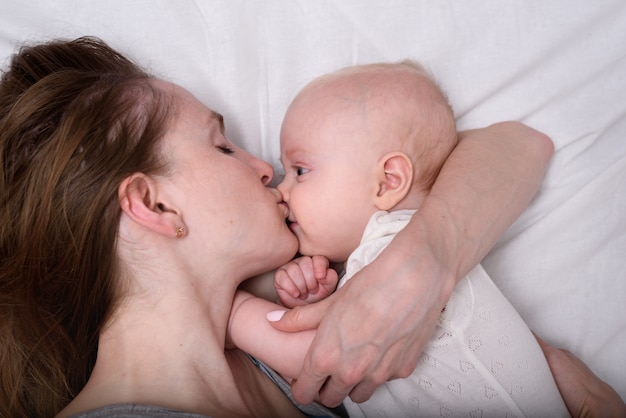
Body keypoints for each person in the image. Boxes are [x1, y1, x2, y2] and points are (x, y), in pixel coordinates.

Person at [1, 37, 619, 418]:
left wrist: (421, 264)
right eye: (221, 147)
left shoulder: (281, 353)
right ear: (154, 207)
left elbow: (517, 146)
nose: (264, 169)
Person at [228, 61, 571, 417]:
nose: (281, 189)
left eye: (300, 171)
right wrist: (316, 298)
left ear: (388, 182)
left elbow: (324, 356)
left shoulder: (389, 245)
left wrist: (236, 315)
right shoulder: (382, 254)